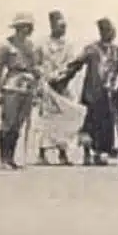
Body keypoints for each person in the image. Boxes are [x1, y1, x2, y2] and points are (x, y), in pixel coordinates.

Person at [58, 18, 118, 166]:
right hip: (92, 94)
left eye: (112, 30)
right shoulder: (91, 49)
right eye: (107, 31)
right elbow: (76, 64)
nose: (111, 33)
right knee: (89, 125)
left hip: (108, 94)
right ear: (102, 32)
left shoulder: (115, 51)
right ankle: (87, 153)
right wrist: (62, 78)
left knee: (106, 124)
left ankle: (100, 153)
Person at [0, 12, 43, 171]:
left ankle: (11, 158)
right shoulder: (7, 45)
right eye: (26, 26)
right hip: (12, 86)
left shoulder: (31, 46)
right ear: (19, 27)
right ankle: (4, 158)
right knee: (8, 123)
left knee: (18, 124)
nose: (29, 29)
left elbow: (36, 66)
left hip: (27, 87)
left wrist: (37, 83)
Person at [36, 10, 77, 165]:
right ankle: (41, 153)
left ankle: (62, 153)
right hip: (47, 84)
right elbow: (36, 63)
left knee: (63, 119)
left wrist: (63, 78)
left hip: (63, 85)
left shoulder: (68, 45)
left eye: (65, 26)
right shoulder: (41, 44)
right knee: (45, 119)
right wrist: (44, 78)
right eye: (60, 26)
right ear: (52, 25)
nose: (63, 29)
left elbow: (71, 65)